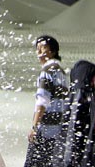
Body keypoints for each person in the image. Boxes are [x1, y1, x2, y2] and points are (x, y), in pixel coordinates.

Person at [24, 35, 68, 167]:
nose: (39, 52)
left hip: (45, 130)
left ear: (53, 51)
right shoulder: (61, 71)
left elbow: (42, 102)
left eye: (42, 48)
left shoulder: (47, 71)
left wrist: (34, 127)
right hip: (57, 130)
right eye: (37, 49)